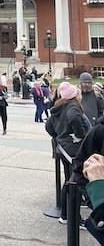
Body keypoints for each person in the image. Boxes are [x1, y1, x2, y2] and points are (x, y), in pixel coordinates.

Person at [46, 82, 88, 225]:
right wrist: (79, 135)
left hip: (64, 148)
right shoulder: (72, 107)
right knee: (73, 182)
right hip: (72, 149)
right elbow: (74, 119)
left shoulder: (60, 106)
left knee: (69, 181)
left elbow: (49, 126)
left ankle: (65, 215)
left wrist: (58, 136)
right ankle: (72, 217)